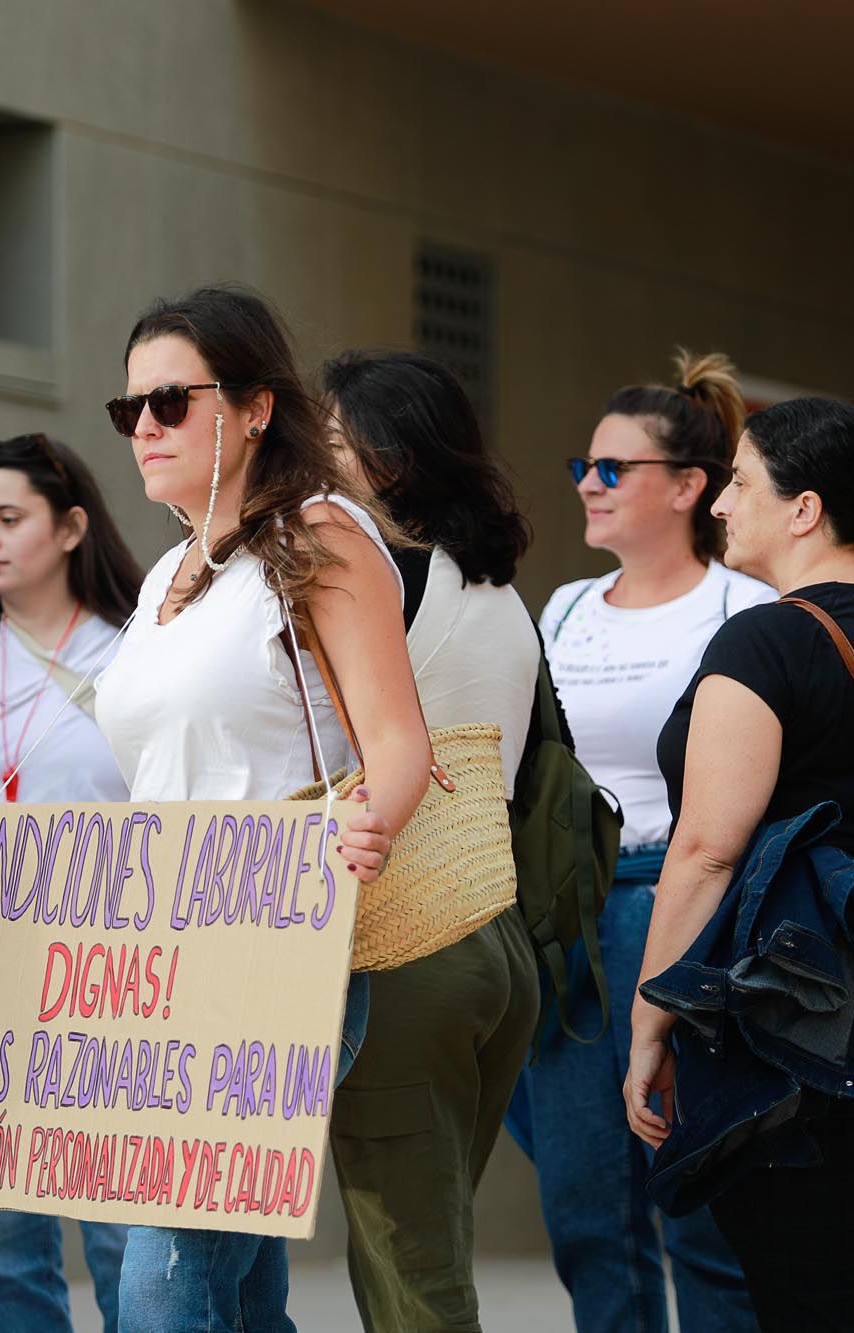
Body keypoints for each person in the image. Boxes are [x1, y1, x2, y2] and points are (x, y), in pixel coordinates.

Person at [0, 285, 429, 1333]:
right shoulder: (163, 584)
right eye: (128, 410)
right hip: (162, 954)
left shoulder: (319, 536)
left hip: (274, 942)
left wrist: (365, 822)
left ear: (253, 407)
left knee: (160, 1259)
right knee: (224, 1279)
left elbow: (397, 741)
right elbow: (135, 801)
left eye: (168, 403)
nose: (142, 428)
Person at [625, 397, 854, 1330]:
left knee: (819, 1303)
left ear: (804, 509)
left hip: (813, 1013)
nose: (720, 505)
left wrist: (651, 1017)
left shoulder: (767, 640)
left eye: (740, 482)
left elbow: (707, 847)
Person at [504, 351, 767, 1332]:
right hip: (571, 913)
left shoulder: (743, 607)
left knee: (694, 1201)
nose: (585, 482)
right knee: (582, 1208)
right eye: (584, 464)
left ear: (688, 486)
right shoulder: (562, 608)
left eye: (611, 468)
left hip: (695, 907)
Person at [318, 350, 543, 1333]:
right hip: (495, 942)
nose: (306, 462)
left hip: (403, 942)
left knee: (412, 1280)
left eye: (326, 441)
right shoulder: (499, 595)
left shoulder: (371, 581)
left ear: (388, 458)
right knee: (428, 1245)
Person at [0, 433, 142, 1333]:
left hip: (112, 968)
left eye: (10, 519)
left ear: (71, 528)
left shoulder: (137, 650)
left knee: (119, 1231)